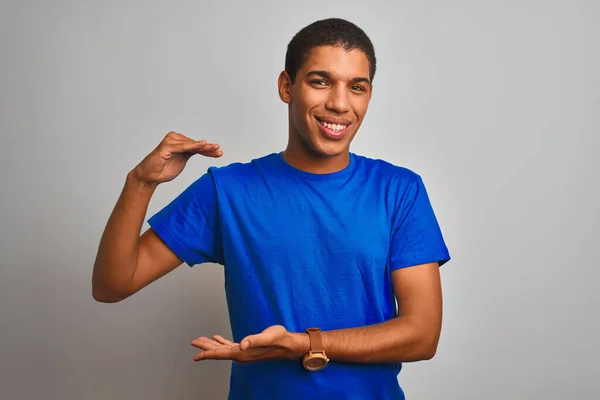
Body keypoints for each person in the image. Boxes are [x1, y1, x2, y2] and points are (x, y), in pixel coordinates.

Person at [92, 17, 450, 400]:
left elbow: (422, 335)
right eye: (320, 81)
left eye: (356, 87)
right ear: (286, 86)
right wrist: (141, 183)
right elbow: (112, 284)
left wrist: (303, 344)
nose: (339, 103)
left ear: (368, 96)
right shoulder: (228, 191)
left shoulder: (398, 190)